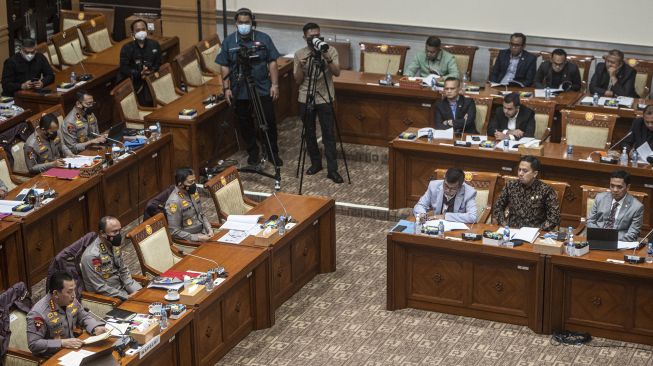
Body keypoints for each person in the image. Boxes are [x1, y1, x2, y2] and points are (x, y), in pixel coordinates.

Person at [216, 8, 282, 169]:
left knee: (268, 120)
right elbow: (224, 65)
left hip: (261, 87)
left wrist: (275, 84)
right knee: (244, 122)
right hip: (240, 89)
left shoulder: (263, 38)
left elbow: (272, 62)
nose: (244, 25)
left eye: (247, 22)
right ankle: (253, 152)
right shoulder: (229, 41)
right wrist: (226, 89)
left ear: (252, 23)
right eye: (241, 22)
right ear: (236, 23)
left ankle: (272, 152)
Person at [293, 22, 343, 184]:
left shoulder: (330, 50)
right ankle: (316, 163)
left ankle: (332, 169)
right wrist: (301, 67)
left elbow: (337, 72)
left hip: (325, 96)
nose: (315, 39)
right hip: (306, 95)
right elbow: (298, 80)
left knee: (329, 133)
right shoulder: (300, 54)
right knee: (309, 132)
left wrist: (327, 57)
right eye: (311, 37)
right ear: (304, 38)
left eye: (317, 35)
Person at [27, 272, 106, 357]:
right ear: (56, 294)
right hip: (52, 357)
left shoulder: (70, 300)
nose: (74, 295)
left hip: (73, 350)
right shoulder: (38, 313)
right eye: (69, 292)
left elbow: (83, 316)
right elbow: (34, 344)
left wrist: (95, 327)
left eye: (74, 290)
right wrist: (61, 343)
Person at [80, 216, 142, 300]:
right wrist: (126, 297)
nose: (118, 235)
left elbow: (123, 269)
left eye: (119, 230)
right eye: (114, 232)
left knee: (148, 297)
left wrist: (136, 290)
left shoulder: (114, 244)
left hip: (124, 287)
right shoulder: (92, 256)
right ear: (102, 233)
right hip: (109, 297)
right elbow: (100, 287)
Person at [493, 156, 560, 231]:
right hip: (512, 230)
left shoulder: (546, 190)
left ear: (535, 174)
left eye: (525, 171)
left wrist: (537, 231)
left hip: (534, 233)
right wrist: (504, 225)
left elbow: (554, 218)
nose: (520, 173)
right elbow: (498, 207)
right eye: (519, 170)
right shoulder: (510, 186)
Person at [586, 170, 643, 242]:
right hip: (597, 239)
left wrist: (609, 237)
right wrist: (599, 235)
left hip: (619, 242)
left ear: (628, 187)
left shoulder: (637, 207)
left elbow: (633, 234)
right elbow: (590, 221)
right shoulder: (600, 198)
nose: (615, 190)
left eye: (619, 187)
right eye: (612, 186)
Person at [119, 18, 161, 106]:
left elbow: (158, 63)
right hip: (135, 82)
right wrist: (139, 73)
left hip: (152, 78)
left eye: (143, 29)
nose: (141, 32)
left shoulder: (154, 44)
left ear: (147, 30)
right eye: (138, 30)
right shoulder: (127, 48)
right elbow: (124, 68)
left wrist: (150, 71)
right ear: (132, 34)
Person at [413, 168, 477, 223]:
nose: (447, 190)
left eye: (453, 188)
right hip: (435, 227)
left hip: (456, 230)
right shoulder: (433, 186)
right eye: (446, 185)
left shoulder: (469, 193)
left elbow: (473, 217)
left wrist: (445, 216)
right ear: (444, 179)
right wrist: (422, 214)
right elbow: (420, 205)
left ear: (460, 187)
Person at [165, 168, 212, 242]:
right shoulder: (174, 202)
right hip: (189, 240)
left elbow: (201, 214)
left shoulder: (193, 191)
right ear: (180, 184)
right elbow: (174, 232)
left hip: (204, 232)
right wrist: (197, 238)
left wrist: (209, 228)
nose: (194, 184)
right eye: (190, 182)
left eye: (194, 181)